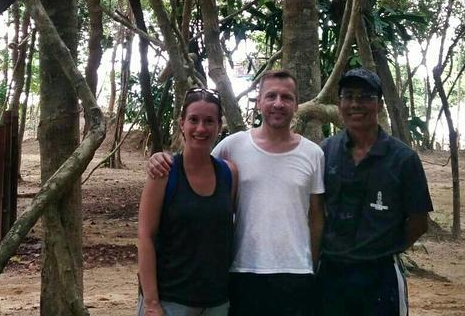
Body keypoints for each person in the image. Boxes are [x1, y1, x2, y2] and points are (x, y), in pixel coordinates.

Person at [148, 70, 325, 316]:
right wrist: (160, 158)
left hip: (296, 272)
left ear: (296, 104)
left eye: (286, 97)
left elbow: (316, 216)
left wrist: (312, 264)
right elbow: (197, 163)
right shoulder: (233, 147)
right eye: (271, 95)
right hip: (243, 271)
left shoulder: (313, 154)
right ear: (259, 100)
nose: (278, 103)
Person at [317, 67, 434, 316]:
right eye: (348, 96)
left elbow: (419, 221)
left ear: (379, 105)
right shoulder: (325, 152)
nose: (355, 104)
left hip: (380, 277)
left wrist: (382, 248)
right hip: (330, 273)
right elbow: (314, 210)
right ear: (339, 104)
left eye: (365, 97)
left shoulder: (404, 159)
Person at [137, 88, 238, 316]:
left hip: (216, 301)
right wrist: (152, 303)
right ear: (182, 123)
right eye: (194, 120)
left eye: (209, 121)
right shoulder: (164, 172)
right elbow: (145, 236)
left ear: (219, 125)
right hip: (170, 300)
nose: (201, 128)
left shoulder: (228, 173)